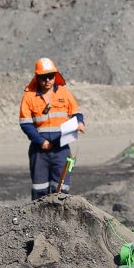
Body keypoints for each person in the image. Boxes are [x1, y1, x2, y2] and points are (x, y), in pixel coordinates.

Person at [19, 57, 85, 198]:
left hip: (61, 149)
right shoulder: (29, 96)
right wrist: (40, 141)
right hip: (39, 150)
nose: (47, 80)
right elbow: (25, 123)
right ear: (37, 77)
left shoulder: (64, 92)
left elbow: (76, 113)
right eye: (43, 77)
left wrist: (80, 122)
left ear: (55, 76)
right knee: (39, 189)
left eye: (50, 76)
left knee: (61, 189)